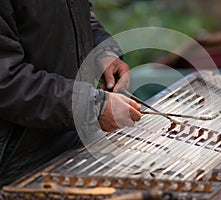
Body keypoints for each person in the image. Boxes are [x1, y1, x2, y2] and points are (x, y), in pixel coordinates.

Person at [0, 0, 141, 187]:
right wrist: (90, 107)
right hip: (19, 162)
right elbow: (6, 82)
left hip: (73, 139)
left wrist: (103, 51)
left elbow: (81, 16)